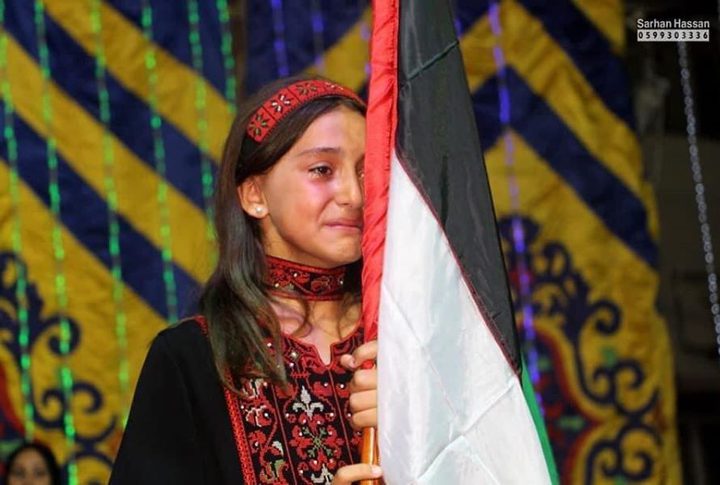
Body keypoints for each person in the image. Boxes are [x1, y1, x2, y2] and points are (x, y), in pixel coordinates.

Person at [109, 76, 382, 484]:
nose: (354, 196)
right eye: (322, 169)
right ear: (255, 195)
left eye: (365, 173)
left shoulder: (405, 340)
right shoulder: (193, 360)